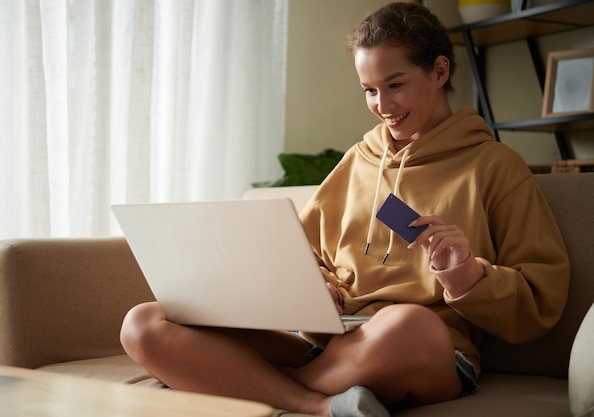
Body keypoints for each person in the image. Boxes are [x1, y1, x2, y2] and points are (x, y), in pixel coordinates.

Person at [119, 2, 570, 416]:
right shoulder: (359, 159)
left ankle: (254, 385)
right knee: (144, 322)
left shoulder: (495, 165)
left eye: (395, 85)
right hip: (329, 345)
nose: (383, 106)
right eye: (370, 90)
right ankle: (324, 404)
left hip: (426, 349)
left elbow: (541, 297)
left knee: (408, 323)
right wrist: (318, 285)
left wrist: (469, 276)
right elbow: (301, 255)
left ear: (438, 71)